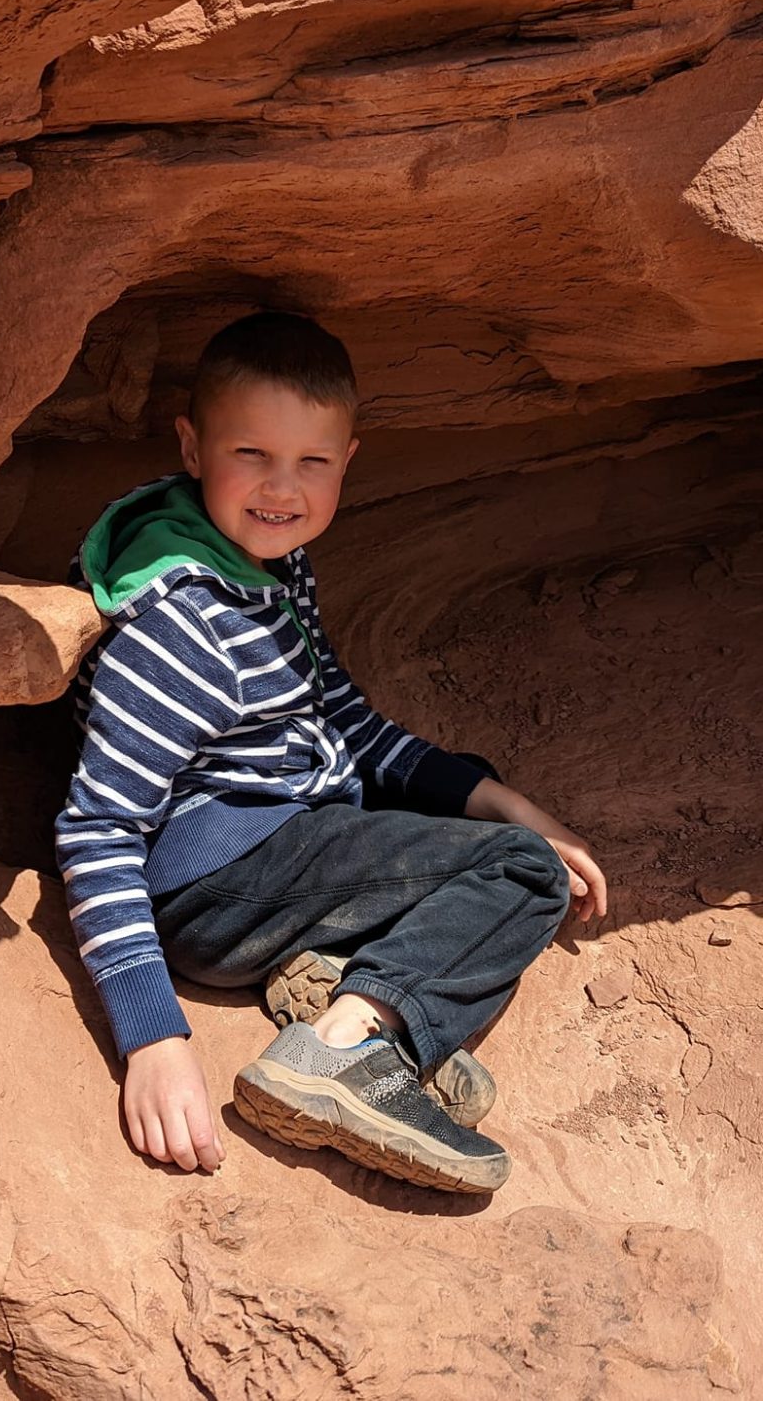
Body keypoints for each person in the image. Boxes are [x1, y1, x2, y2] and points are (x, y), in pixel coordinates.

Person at [55, 311, 607, 1193]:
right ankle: (347, 1046)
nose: (283, 488)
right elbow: (98, 829)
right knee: (523, 874)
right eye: (252, 456)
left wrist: (505, 801)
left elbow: (339, 715)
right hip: (219, 875)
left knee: (479, 806)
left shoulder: (268, 563)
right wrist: (152, 1036)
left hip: (283, 834)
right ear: (193, 448)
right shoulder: (182, 626)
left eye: (311, 462)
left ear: (348, 459)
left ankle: (329, 977)